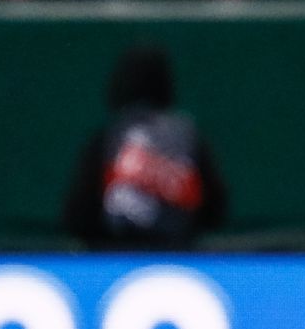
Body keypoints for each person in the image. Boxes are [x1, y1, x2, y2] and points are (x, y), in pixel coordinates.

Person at [63, 45, 227, 250]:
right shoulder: (188, 134)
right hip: (179, 258)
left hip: (115, 258)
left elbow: (78, 214)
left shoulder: (108, 135)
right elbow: (215, 209)